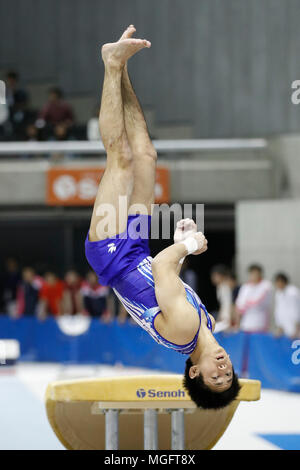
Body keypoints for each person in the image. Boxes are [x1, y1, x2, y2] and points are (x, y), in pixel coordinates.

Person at [85, 26, 240, 410]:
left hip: (114, 258)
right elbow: (166, 276)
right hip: (135, 249)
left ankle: (110, 64)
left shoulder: (186, 329)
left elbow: (162, 266)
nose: (222, 368)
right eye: (229, 375)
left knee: (120, 162)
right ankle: (122, 69)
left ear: (193, 372)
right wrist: (184, 239)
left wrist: (187, 245)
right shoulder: (208, 325)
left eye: (214, 377)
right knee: (147, 156)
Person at [235, 264, 273, 333]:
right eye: (252, 273)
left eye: (256, 273)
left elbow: (257, 302)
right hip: (245, 323)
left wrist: (245, 304)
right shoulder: (245, 287)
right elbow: (239, 305)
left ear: (260, 274)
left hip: (260, 323)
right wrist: (237, 323)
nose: (254, 276)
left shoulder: (266, 285)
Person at [273, 273, 300, 339]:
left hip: (296, 328)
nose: (278, 284)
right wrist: (280, 326)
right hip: (285, 328)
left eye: (279, 282)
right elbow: (279, 311)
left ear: (284, 282)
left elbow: (296, 309)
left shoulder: (293, 292)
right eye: (277, 282)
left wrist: (297, 327)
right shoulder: (278, 293)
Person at [210, 264, 233, 331]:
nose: (213, 278)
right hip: (224, 316)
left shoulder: (225, 287)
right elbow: (223, 304)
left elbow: (230, 303)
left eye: (214, 276)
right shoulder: (220, 287)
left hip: (228, 317)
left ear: (220, 276)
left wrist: (230, 319)